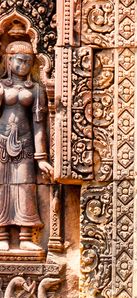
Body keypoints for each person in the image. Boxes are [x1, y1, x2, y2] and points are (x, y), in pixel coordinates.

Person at [0, 39, 52, 251]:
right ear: (9, 60)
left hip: (26, 145)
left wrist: (41, 158)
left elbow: (39, 125)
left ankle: (25, 236)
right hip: (2, 143)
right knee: (1, 188)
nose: (24, 66)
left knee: (26, 187)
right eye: (20, 61)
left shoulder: (37, 90)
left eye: (29, 62)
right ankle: (2, 236)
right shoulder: (1, 87)